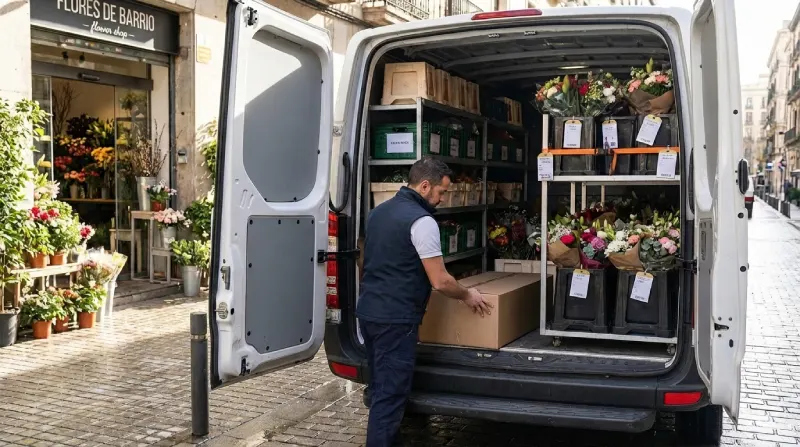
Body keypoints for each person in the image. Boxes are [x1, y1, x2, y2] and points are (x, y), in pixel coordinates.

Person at [355, 157, 492, 446]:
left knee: (380, 389)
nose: (442, 199)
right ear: (425, 185)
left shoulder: (377, 213)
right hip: (396, 319)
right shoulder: (422, 221)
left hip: (369, 312)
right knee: (390, 397)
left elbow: (364, 261)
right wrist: (468, 294)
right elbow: (440, 280)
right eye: (441, 192)